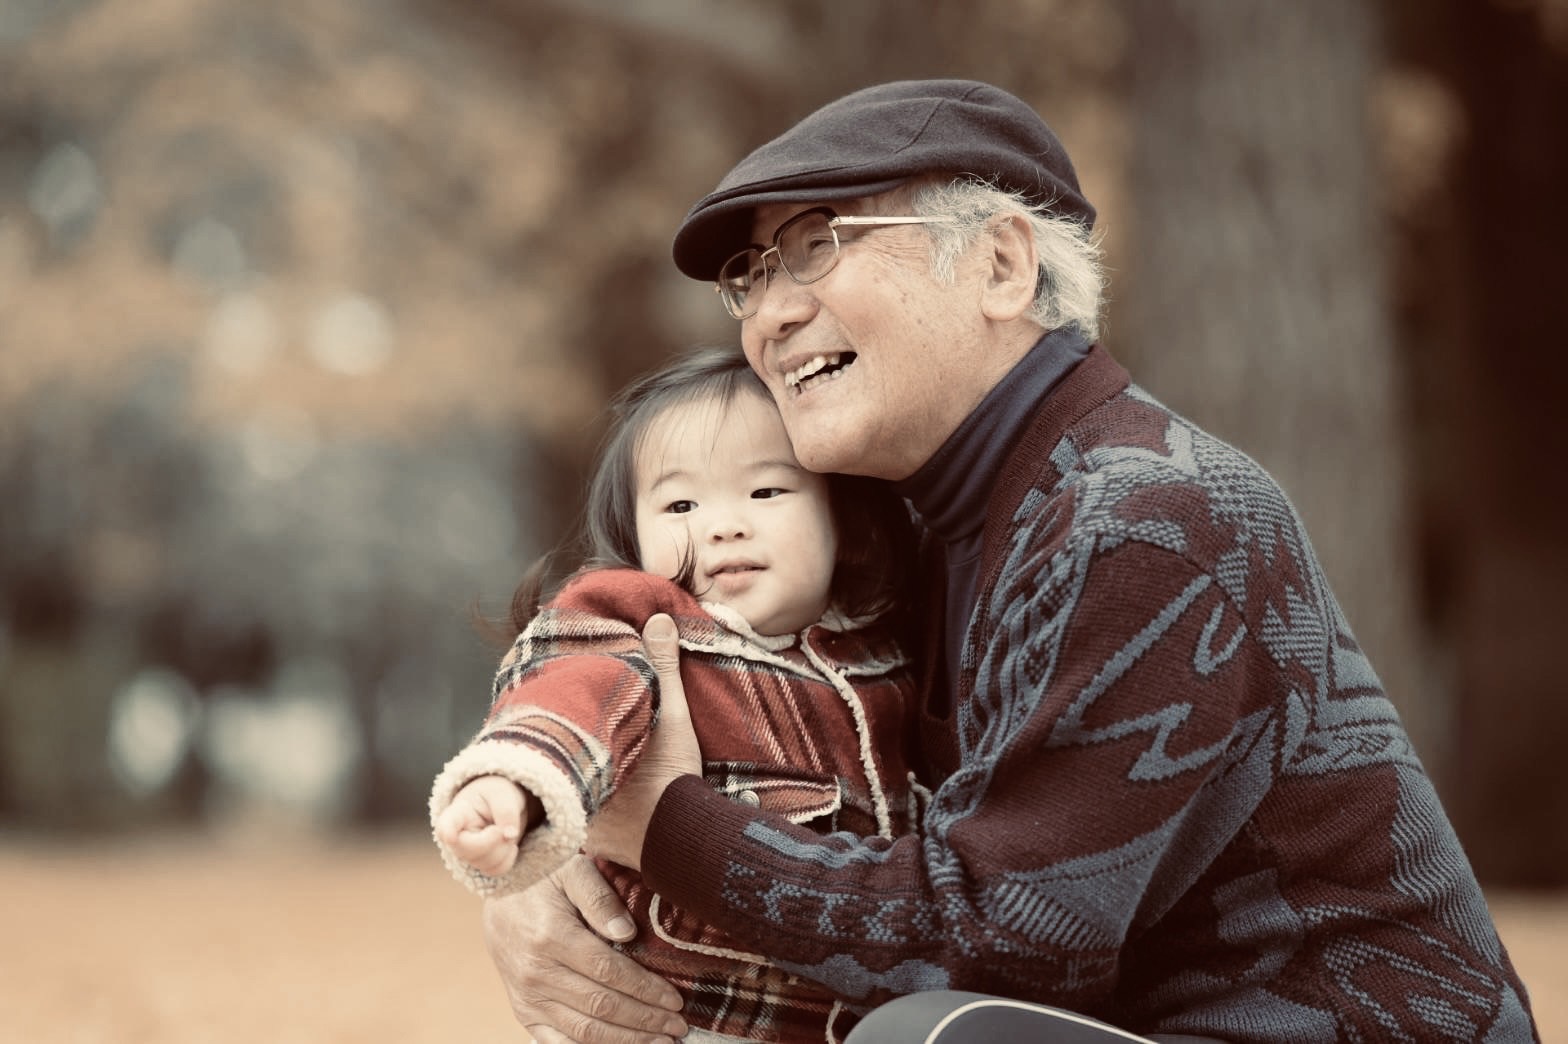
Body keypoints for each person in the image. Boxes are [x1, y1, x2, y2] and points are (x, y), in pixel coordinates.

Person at [483, 80, 1539, 1043]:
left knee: (924, 1039)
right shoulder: (903, 532)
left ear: (998, 264)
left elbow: (1004, 941)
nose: (767, 311)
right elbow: (642, 657)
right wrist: (543, 840)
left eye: (813, 245)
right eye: (750, 277)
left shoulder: (1141, 515)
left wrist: (666, 825)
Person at [430, 346, 930, 1042]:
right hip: (686, 1019)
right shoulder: (639, 623)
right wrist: (516, 785)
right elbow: (572, 691)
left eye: (766, 492)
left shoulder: (893, 653)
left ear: (841, 521)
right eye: (682, 503)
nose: (724, 525)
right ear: (633, 536)